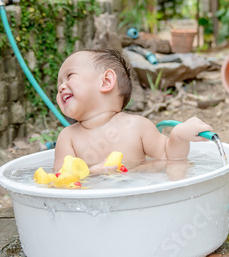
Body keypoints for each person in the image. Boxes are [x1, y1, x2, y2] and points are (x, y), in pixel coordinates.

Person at [53, 48, 213, 172]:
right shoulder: (68, 138)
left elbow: (171, 159)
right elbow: (59, 182)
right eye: (59, 83)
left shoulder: (138, 127)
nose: (61, 87)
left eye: (70, 76)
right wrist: (92, 174)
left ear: (106, 81)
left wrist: (179, 137)